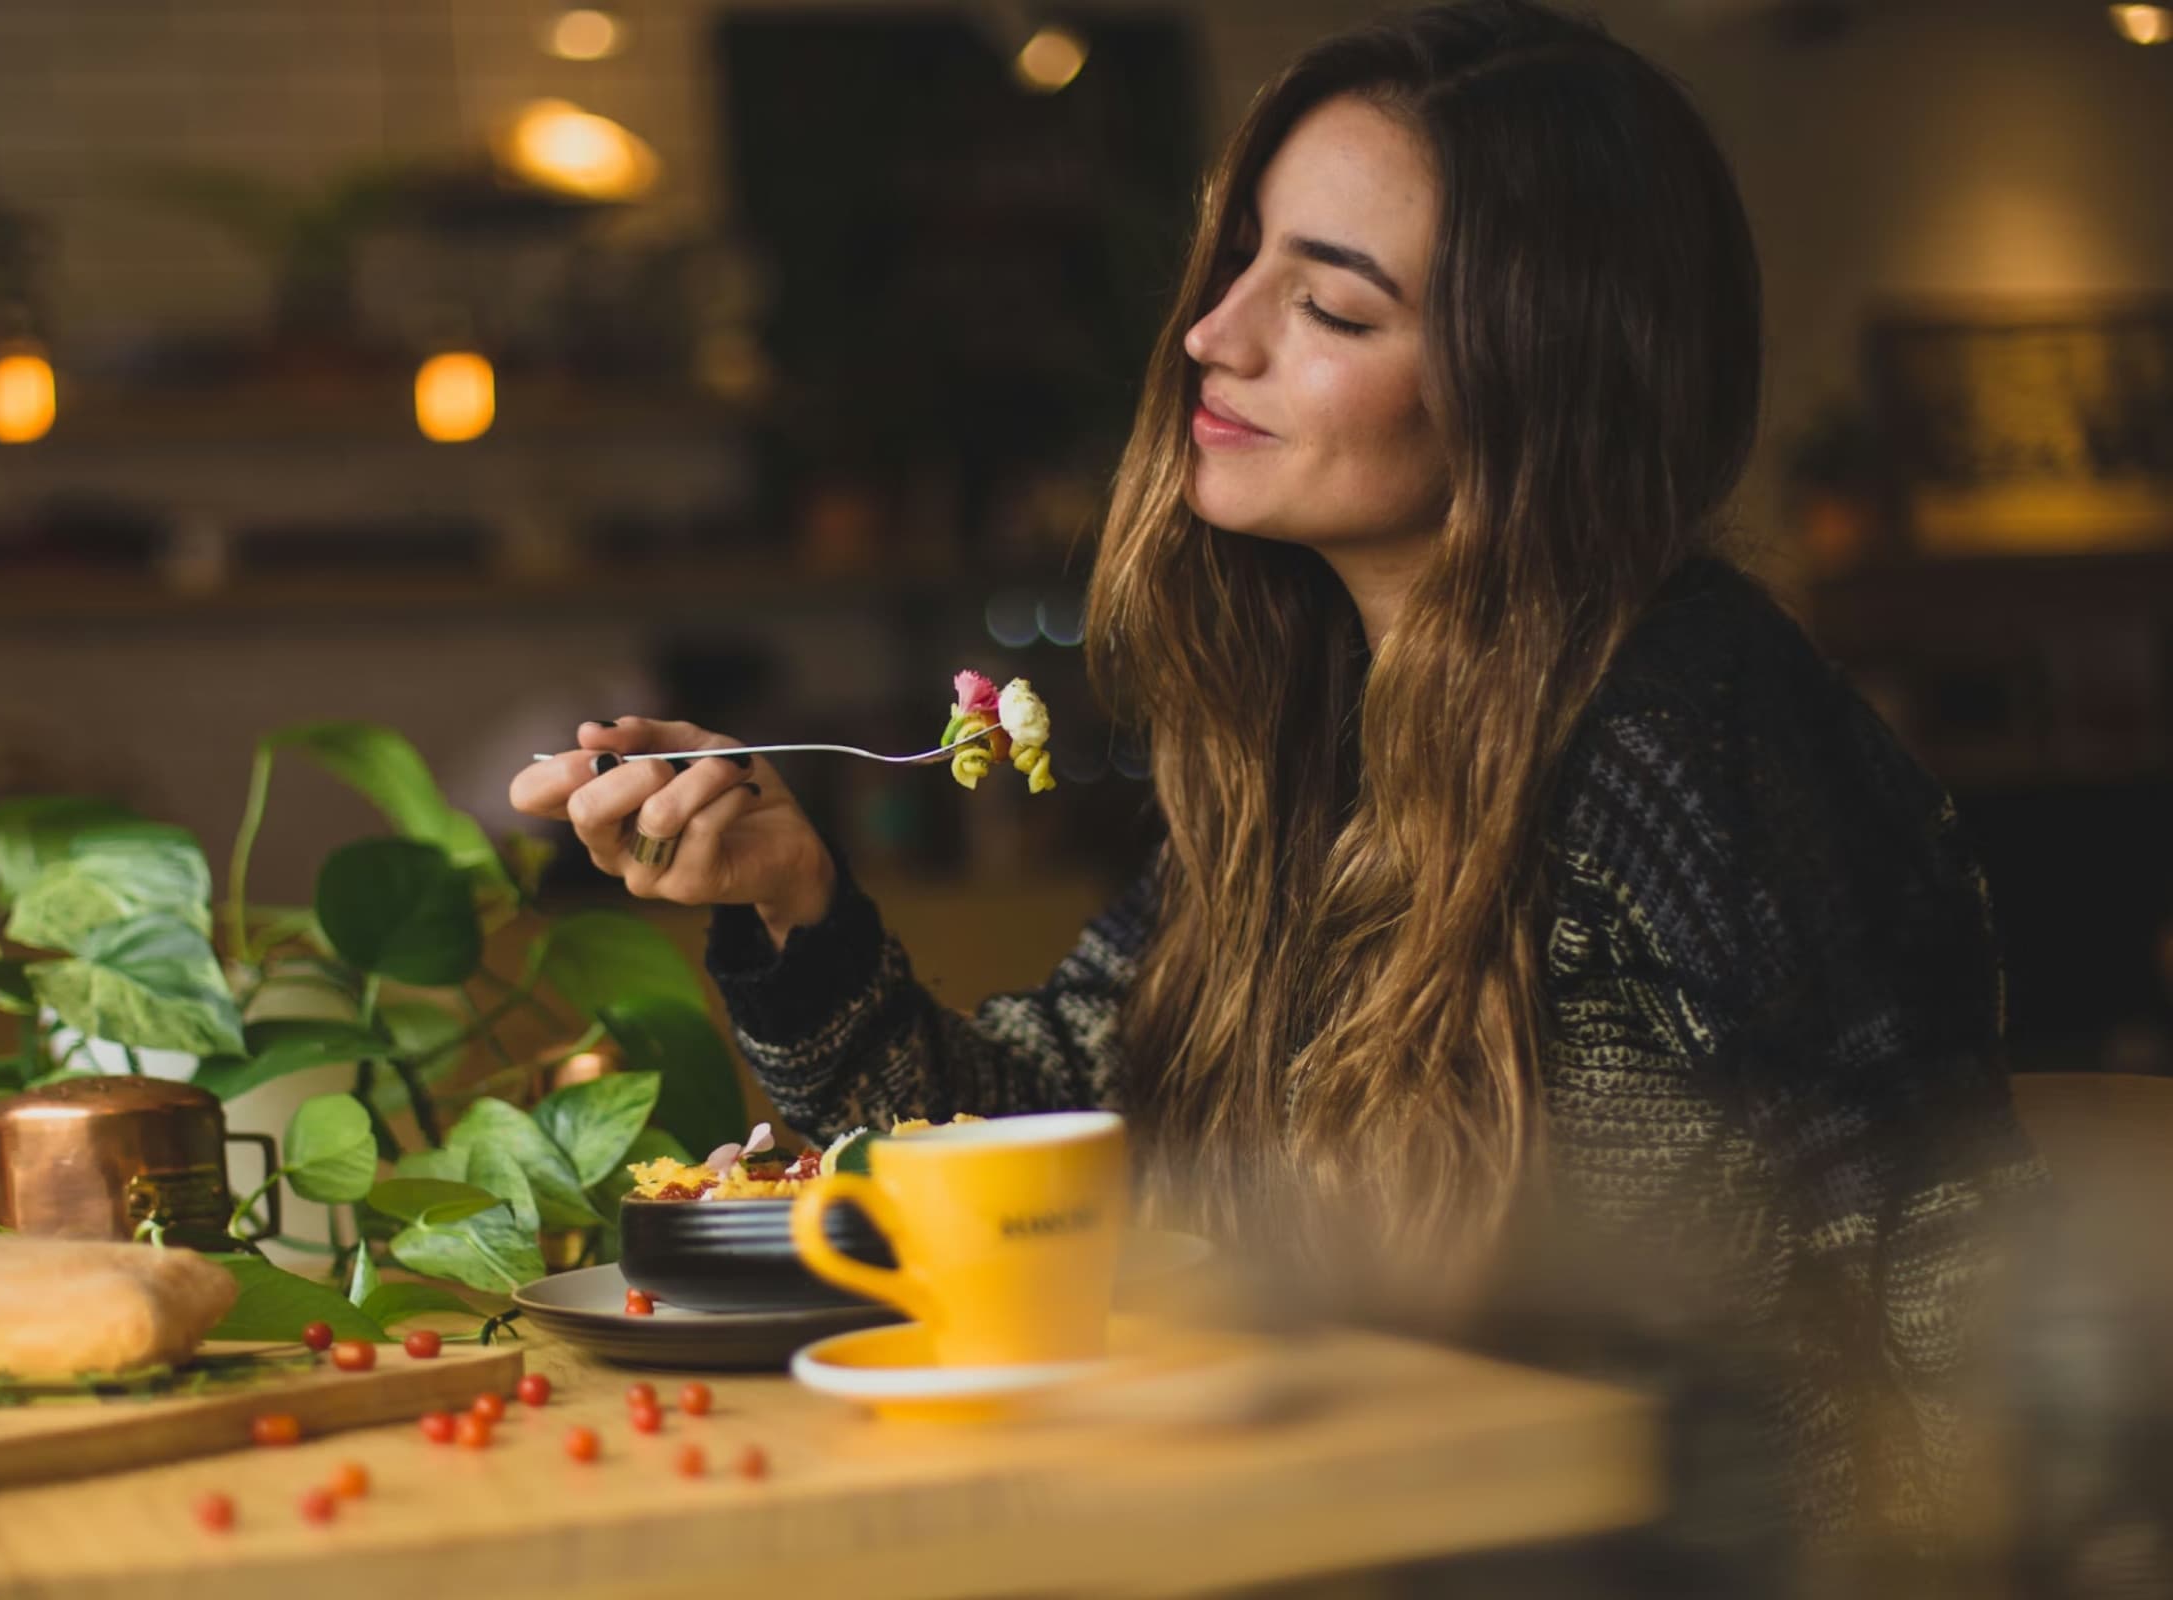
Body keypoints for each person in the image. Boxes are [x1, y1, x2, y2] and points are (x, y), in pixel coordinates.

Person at [509, 0, 2037, 1579]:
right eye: (1239, 261)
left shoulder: (1684, 732)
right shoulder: (1317, 740)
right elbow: (1039, 1162)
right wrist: (793, 903)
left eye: (1335, 308)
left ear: (1542, 383)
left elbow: (1932, 1280)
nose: (1211, 334)